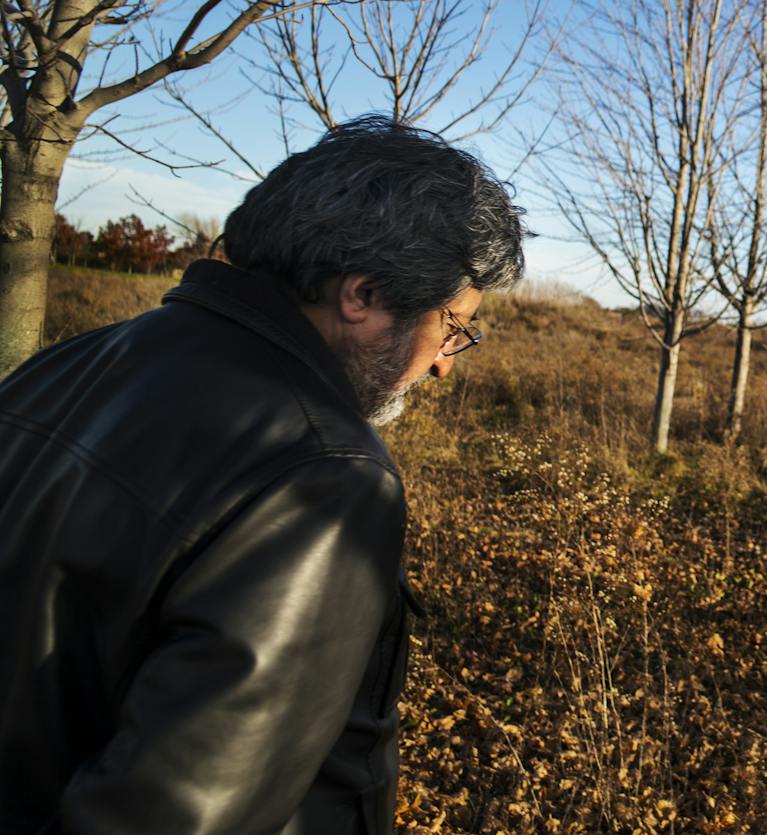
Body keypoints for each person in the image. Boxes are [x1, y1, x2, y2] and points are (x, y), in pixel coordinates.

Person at [0, 116, 525, 834]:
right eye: (453, 325)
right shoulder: (322, 475)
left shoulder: (66, 365)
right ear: (363, 295)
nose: (443, 363)